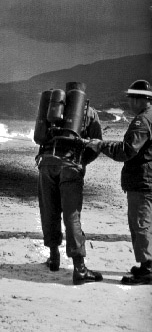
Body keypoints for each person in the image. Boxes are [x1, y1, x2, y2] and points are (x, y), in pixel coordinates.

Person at [86, 79, 152, 285]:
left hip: (143, 181)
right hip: (148, 179)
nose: (129, 102)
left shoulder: (143, 121)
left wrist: (100, 145)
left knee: (140, 223)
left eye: (132, 98)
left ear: (142, 99)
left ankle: (148, 269)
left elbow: (127, 151)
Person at [36, 98, 103, 285]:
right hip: (70, 165)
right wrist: (82, 163)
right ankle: (79, 268)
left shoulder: (51, 107)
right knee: (71, 216)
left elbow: (40, 136)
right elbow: (97, 144)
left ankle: (54, 257)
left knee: (49, 211)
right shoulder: (89, 111)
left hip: (47, 163)